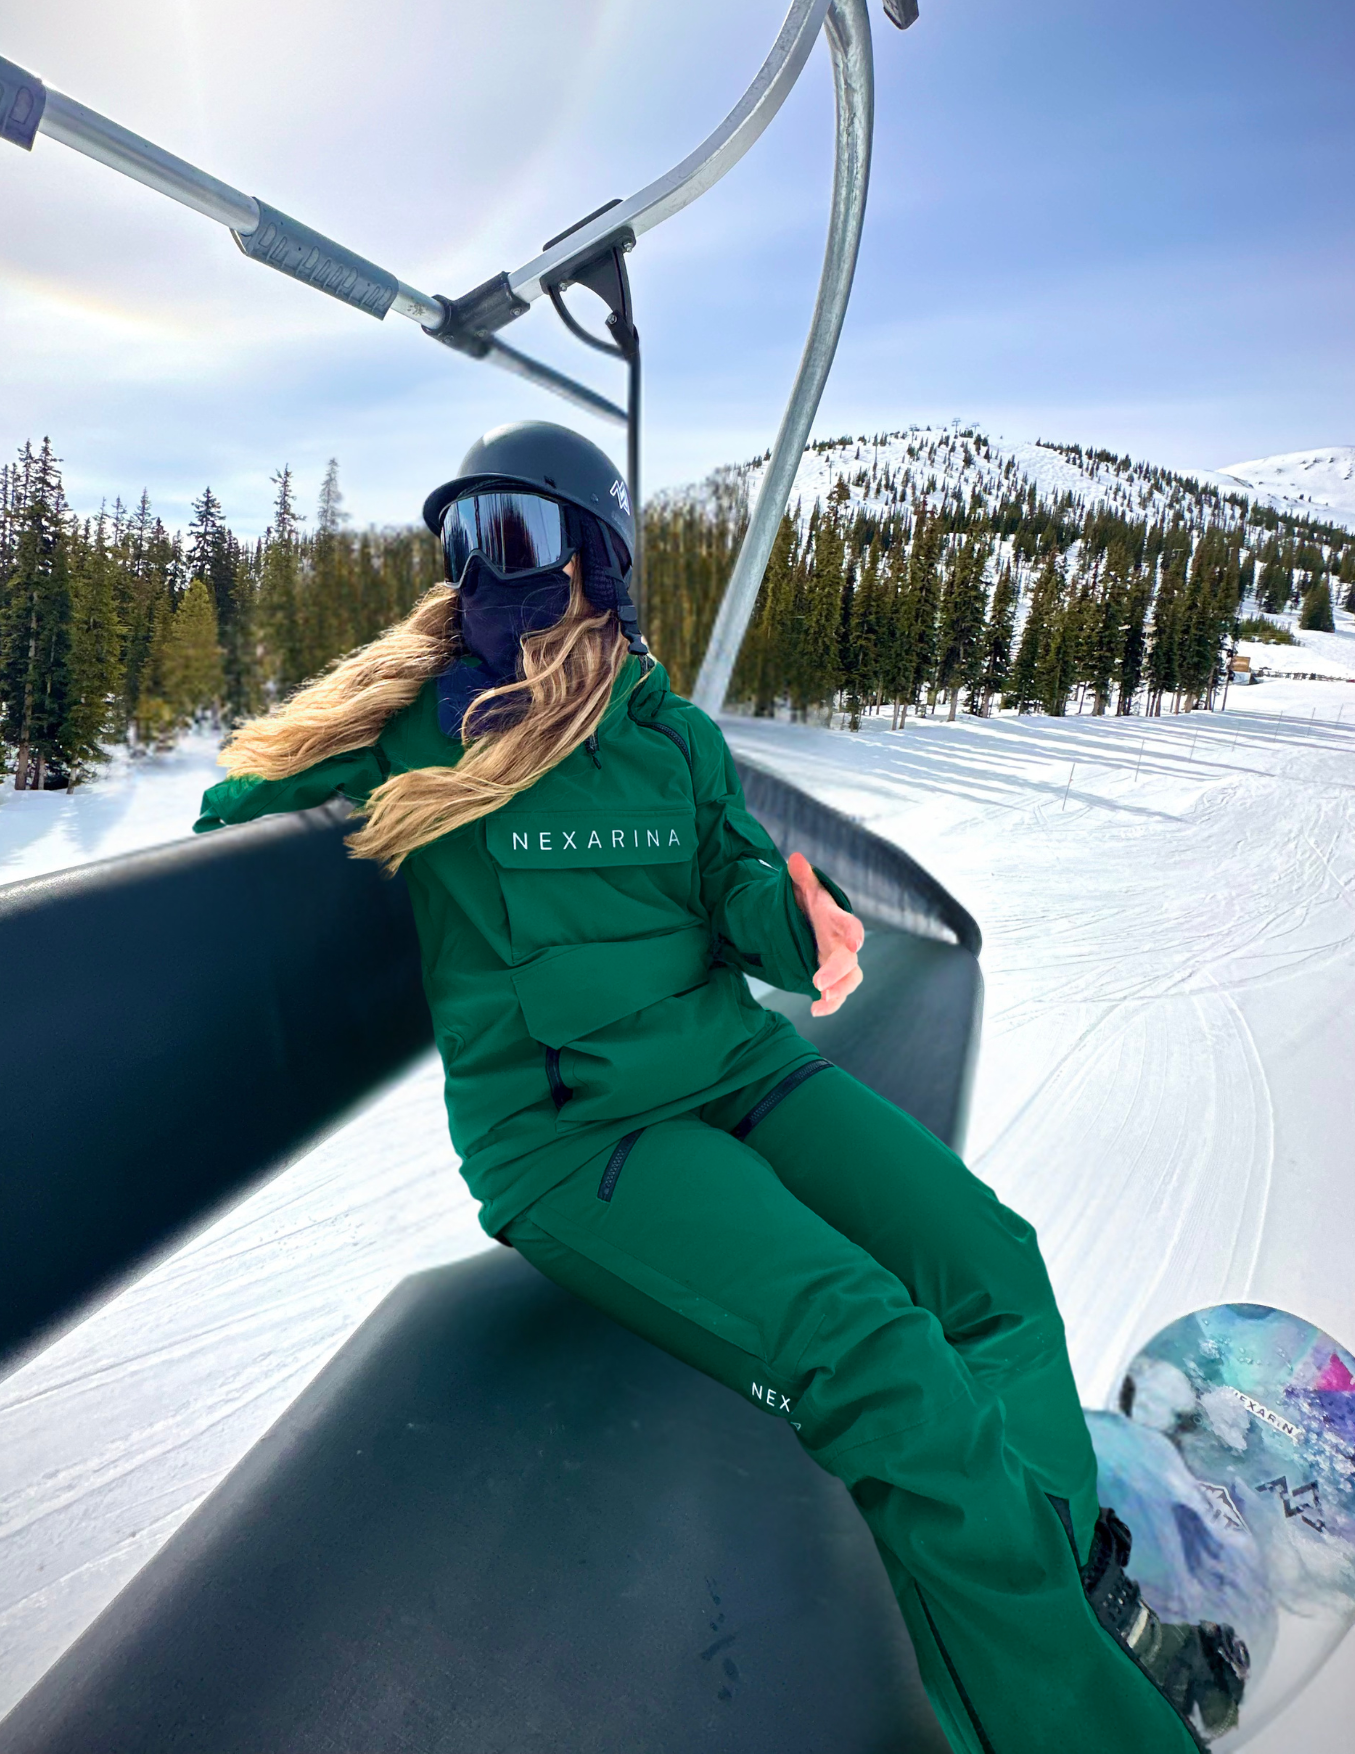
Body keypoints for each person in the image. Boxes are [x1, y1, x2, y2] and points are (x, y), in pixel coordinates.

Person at [195, 420, 1245, 1753]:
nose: (476, 574)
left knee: (991, 1260)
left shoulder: (669, 732)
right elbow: (230, 833)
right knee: (884, 1360)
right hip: (582, 1143)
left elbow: (734, 883)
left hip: (739, 1066)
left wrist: (798, 925)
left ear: (597, 560)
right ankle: (1069, 1714)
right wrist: (263, 831)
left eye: (508, 534)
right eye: (458, 540)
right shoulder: (420, 727)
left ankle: (1037, 1583)